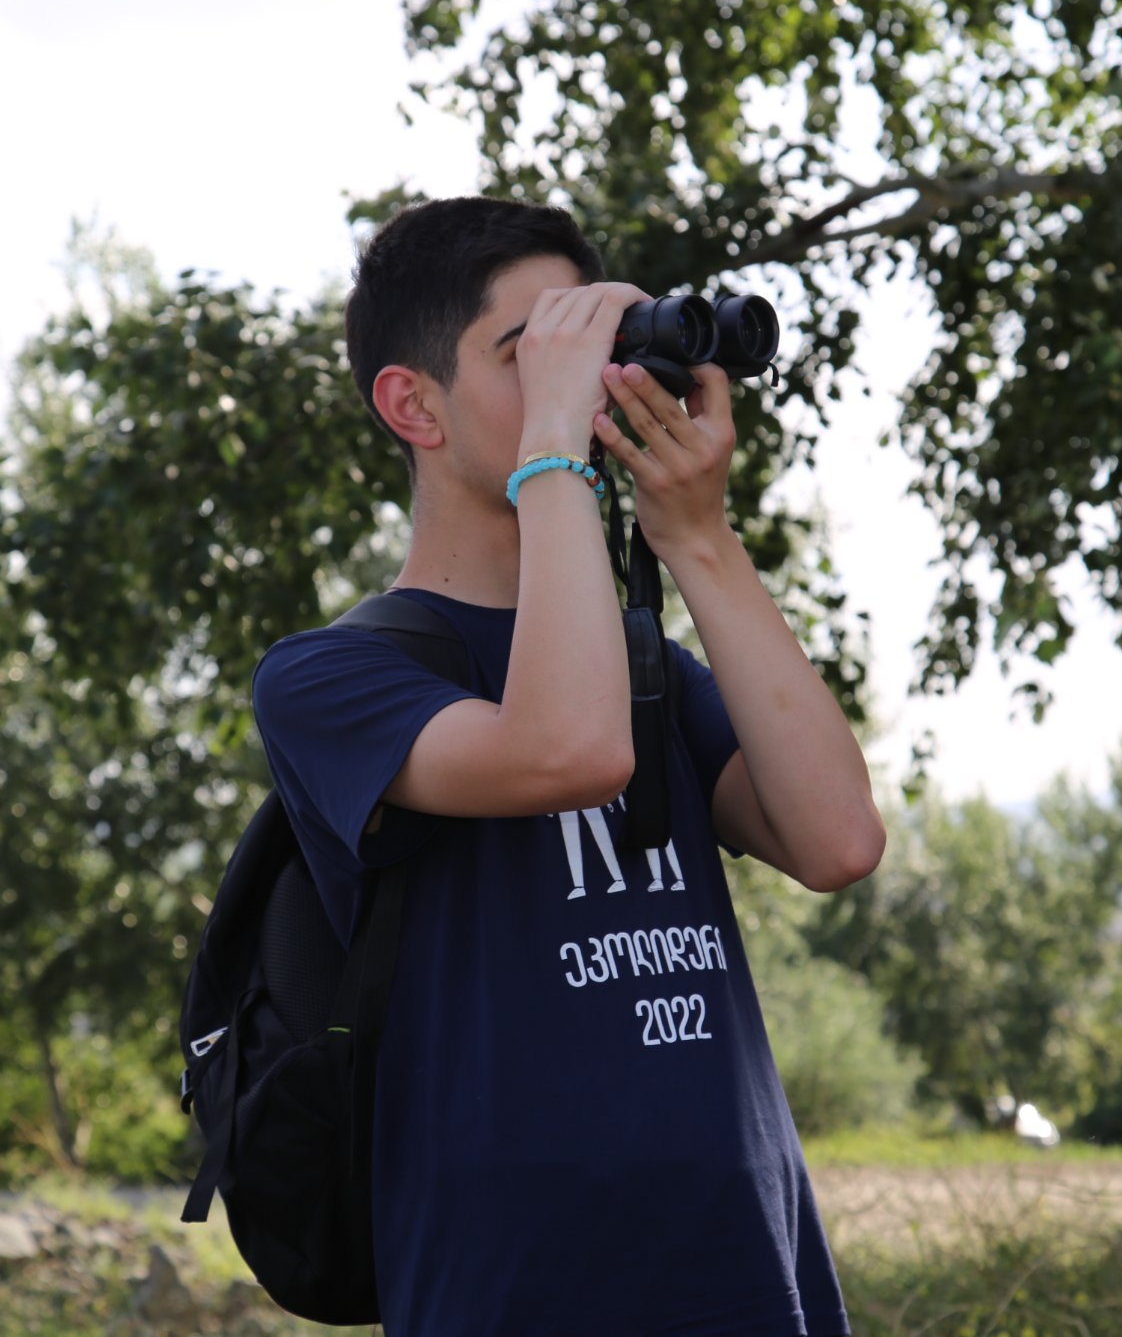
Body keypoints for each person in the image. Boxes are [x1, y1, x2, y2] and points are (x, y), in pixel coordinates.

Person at [251, 196, 886, 1336]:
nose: (582, 377)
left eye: (592, 341)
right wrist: (555, 456)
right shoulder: (327, 680)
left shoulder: (648, 670)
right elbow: (569, 751)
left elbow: (837, 840)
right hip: (516, 1295)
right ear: (413, 405)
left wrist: (696, 536)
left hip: (749, 1276)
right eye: (531, 350)